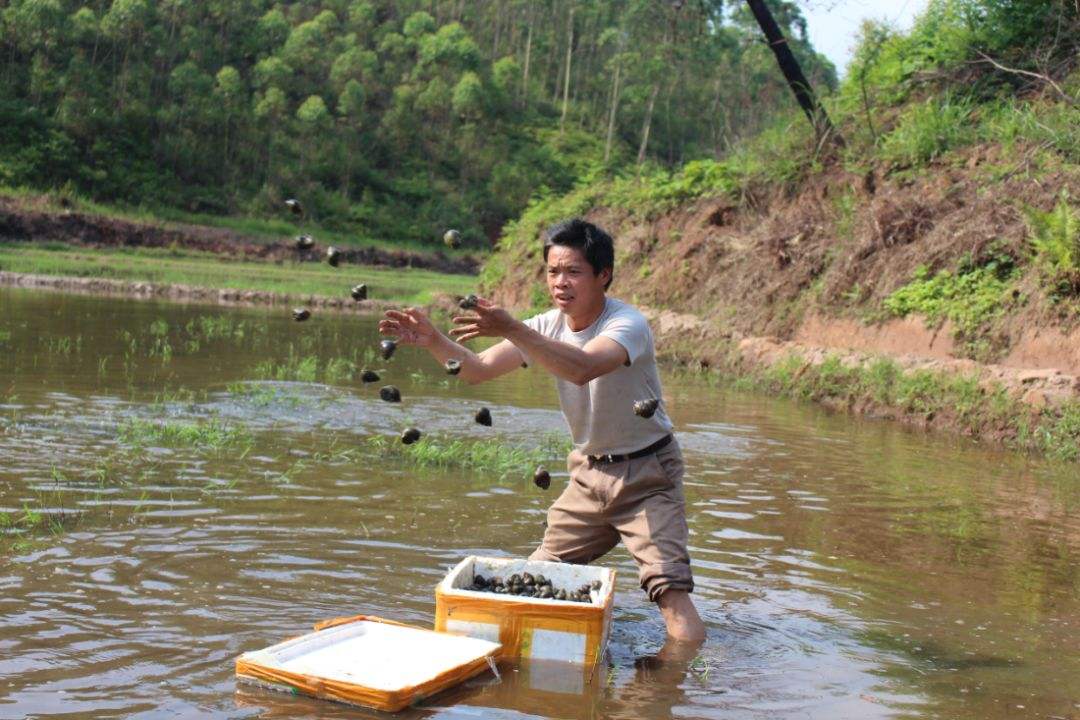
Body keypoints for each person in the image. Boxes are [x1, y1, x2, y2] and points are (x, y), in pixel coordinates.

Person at [378, 218, 705, 642]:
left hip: (646, 475)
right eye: (553, 272)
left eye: (573, 272)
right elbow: (476, 369)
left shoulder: (627, 324)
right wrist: (433, 339)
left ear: (603, 275)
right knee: (536, 581)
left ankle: (689, 686)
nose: (560, 282)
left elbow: (582, 368)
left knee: (670, 594)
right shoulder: (547, 325)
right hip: (588, 477)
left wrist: (514, 327)